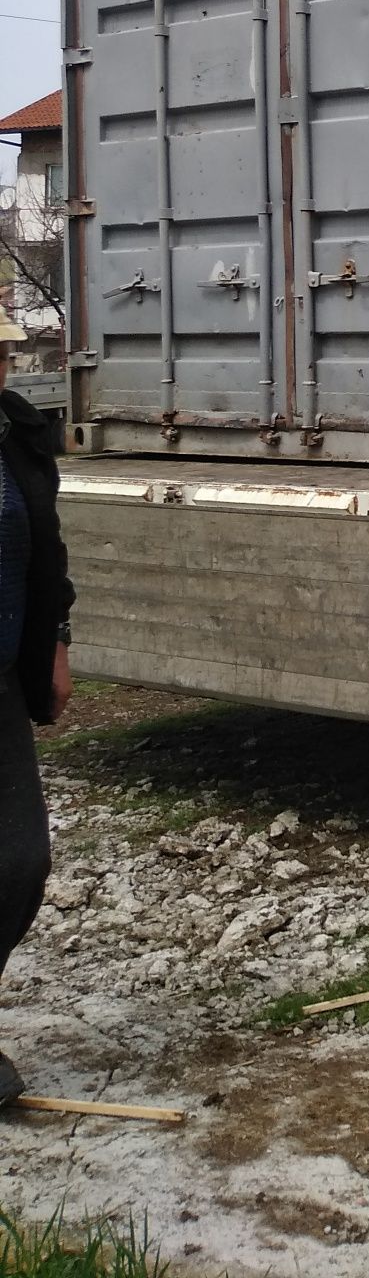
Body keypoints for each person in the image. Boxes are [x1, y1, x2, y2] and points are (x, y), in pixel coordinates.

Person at [0, 311, 75, 1104]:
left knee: (22, 861)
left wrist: (54, 641)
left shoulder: (20, 435)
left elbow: (47, 552)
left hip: (2, 678)